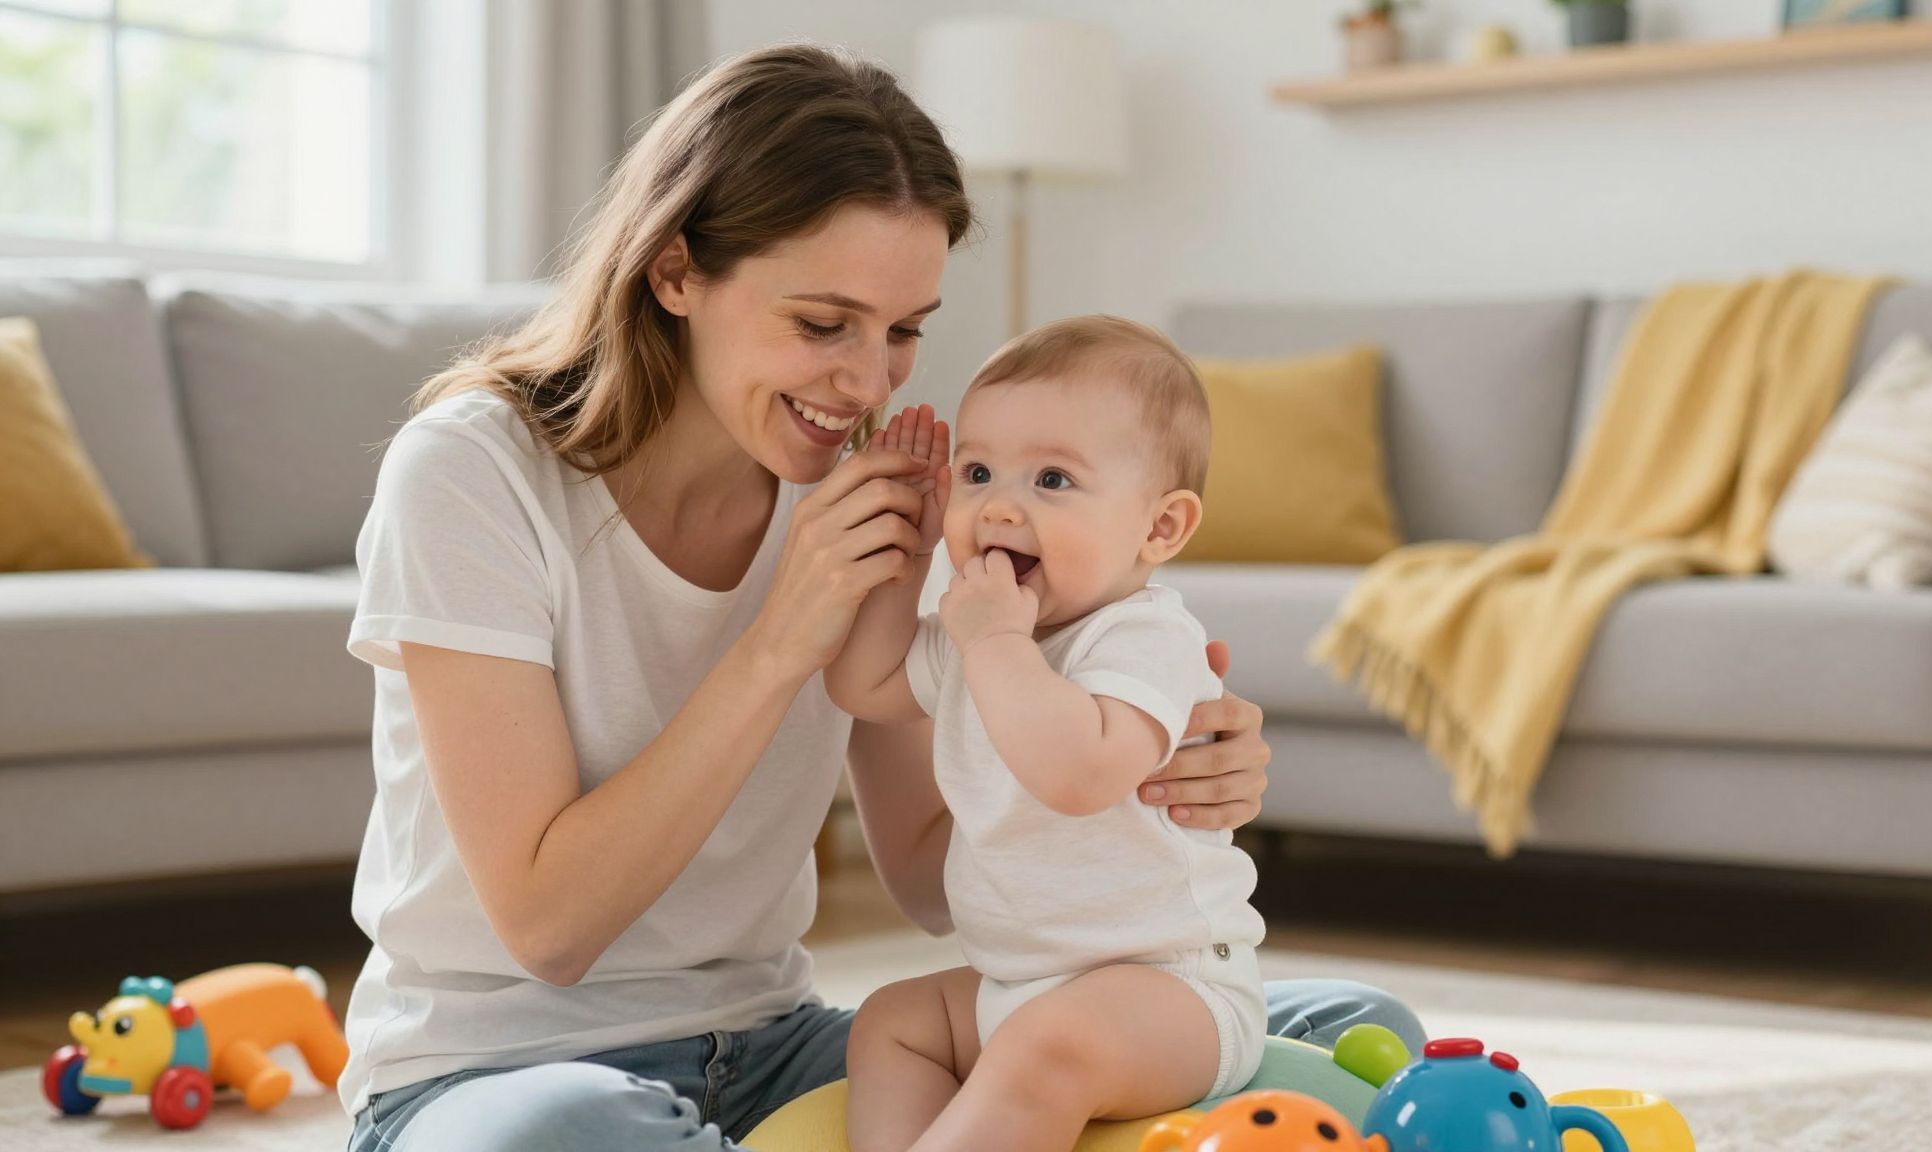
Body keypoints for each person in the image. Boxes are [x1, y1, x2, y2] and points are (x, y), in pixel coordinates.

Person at [341, 43, 1425, 1152]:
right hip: (500, 1072)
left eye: (903, 330)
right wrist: (778, 643)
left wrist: (1139, 775)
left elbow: (927, 878)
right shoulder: (474, 473)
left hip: (768, 1047)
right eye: (822, 325)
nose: (867, 383)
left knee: (1352, 1033)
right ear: (674, 273)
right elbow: (549, 929)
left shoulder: (883, 499)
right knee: (567, 1134)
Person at [828, 317, 1267, 1152]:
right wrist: (913, 554)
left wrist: (994, 643)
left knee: (1047, 1046)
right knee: (893, 1020)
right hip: (1014, 981)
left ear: (1160, 529)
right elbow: (866, 684)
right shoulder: (983, 631)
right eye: (980, 472)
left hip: (1170, 988)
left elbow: (1077, 774)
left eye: (1054, 479)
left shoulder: (1144, 636)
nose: (999, 505)